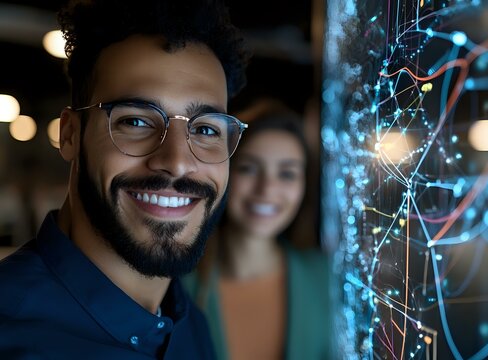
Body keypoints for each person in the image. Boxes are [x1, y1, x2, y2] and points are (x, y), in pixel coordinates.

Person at [0, 0, 249, 358]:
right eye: (135, 121)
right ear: (70, 135)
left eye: (206, 129)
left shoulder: (191, 322)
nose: (177, 162)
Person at [183, 99, 331, 360]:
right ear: (225, 173)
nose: (267, 189)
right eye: (249, 168)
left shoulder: (327, 279)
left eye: (287, 174)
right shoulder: (178, 284)